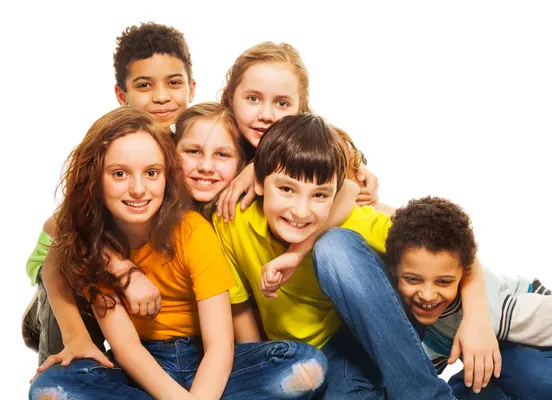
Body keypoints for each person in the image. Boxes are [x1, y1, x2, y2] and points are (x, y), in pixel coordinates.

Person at [30, 107, 327, 400]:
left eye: (151, 173)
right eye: (119, 174)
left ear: (167, 175)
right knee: (52, 389)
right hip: (143, 365)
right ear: (96, 178)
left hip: (207, 358)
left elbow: (220, 345)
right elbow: (127, 348)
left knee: (305, 365)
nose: (137, 189)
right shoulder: (96, 247)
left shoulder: (193, 231)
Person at [213, 113, 462, 399]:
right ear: (258, 182)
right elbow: (239, 307)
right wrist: (264, 368)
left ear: (335, 195)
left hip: (365, 334)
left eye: (319, 195)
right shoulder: (232, 223)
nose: (301, 211)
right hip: (325, 359)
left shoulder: (349, 219)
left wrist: (476, 315)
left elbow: (446, 244)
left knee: (333, 246)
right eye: (286, 189)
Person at [22, 21, 197, 365]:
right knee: (74, 269)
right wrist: (123, 270)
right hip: (64, 264)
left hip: (134, 268)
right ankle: (49, 339)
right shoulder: (111, 144)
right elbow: (60, 226)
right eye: (144, 85)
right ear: (122, 96)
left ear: (191, 88)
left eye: (173, 83)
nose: (162, 96)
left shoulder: (194, 148)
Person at [386, 196, 552, 399]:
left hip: (547, 323)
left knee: (532, 374)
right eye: (413, 279)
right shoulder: (416, 322)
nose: (427, 295)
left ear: (463, 275)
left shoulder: (494, 310)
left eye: (443, 282)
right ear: (393, 270)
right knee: (483, 380)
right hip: (505, 354)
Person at [216, 41, 383, 222]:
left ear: (300, 108)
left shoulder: (326, 151)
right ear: (231, 97)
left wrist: (257, 167)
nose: (266, 115)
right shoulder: (214, 141)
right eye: (253, 98)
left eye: (282, 103)